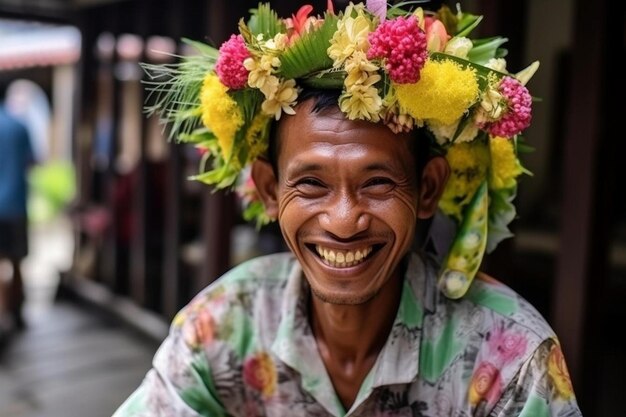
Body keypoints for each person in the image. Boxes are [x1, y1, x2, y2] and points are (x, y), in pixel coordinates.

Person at [114, 2, 582, 416]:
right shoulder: (221, 326)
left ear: (427, 188)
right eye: (312, 184)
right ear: (270, 190)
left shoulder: (509, 358)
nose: (342, 221)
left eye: (377, 183)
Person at [0, 90, 35, 335]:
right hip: (15, 205)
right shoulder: (20, 127)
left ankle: (2, 317)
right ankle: (17, 313)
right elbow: (32, 161)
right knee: (17, 262)